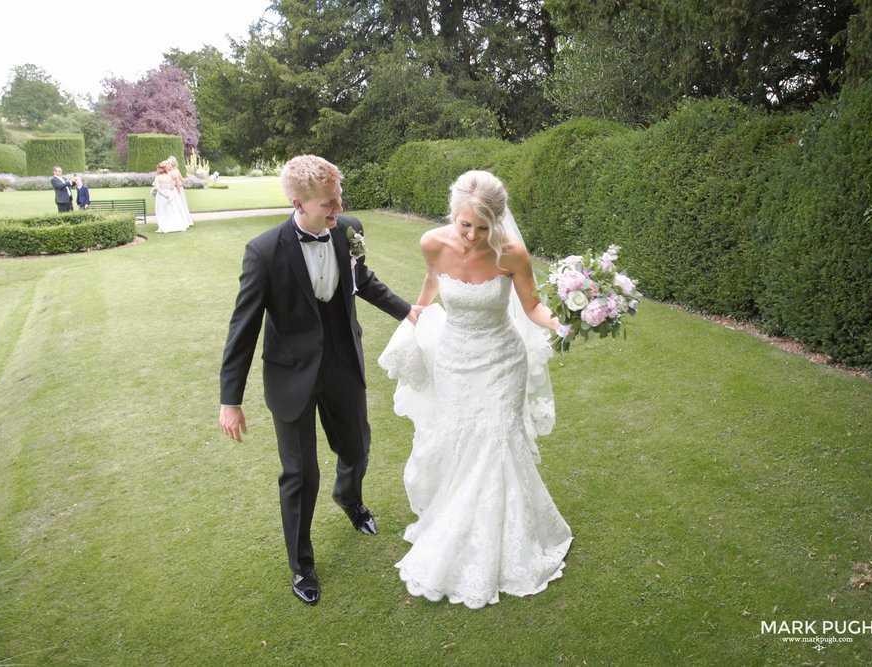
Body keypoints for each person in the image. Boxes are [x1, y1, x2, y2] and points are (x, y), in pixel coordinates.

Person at [219, 155, 423, 606]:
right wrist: (229, 400)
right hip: (290, 376)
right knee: (300, 473)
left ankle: (349, 498)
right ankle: (302, 566)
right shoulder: (265, 251)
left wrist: (407, 310)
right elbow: (244, 327)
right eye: (329, 203)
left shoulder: (348, 228)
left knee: (357, 447)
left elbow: (361, 279)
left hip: (342, 363)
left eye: (339, 199)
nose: (339, 208)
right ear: (298, 202)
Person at [378, 170, 573, 609]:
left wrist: (559, 323)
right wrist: (419, 310)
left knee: (498, 438)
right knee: (461, 440)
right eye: (465, 224)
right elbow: (432, 281)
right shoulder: (432, 243)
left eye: (482, 227)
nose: (471, 235)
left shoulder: (511, 253)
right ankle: (458, 520)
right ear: (454, 214)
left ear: (497, 221)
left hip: (502, 360)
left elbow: (533, 305)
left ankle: (506, 539)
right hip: (453, 359)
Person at [153, 162, 189, 233]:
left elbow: (157, 188)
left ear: (160, 170)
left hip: (161, 196)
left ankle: (164, 224)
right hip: (170, 195)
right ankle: (172, 223)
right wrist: (168, 194)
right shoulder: (169, 177)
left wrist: (163, 194)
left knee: (162, 211)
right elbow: (172, 187)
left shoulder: (157, 177)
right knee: (170, 210)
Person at [166, 155, 193, 227]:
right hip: (176, 189)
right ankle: (183, 220)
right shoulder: (175, 171)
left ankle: (178, 220)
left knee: (177, 205)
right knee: (180, 205)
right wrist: (188, 179)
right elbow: (182, 180)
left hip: (174, 189)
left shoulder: (168, 172)